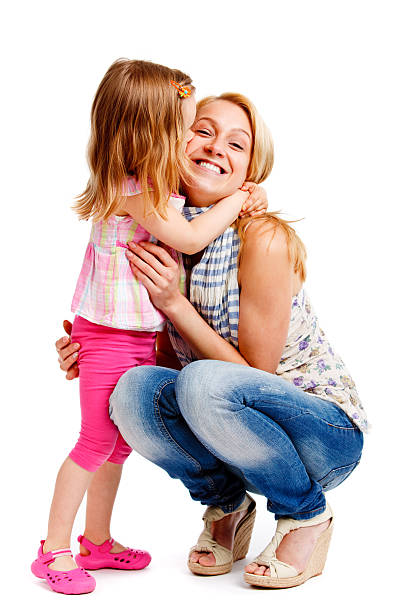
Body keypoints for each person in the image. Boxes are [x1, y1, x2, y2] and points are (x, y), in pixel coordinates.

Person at [57, 92, 368, 589]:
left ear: (250, 173)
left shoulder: (261, 238)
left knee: (204, 382)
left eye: (236, 143)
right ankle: (227, 503)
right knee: (134, 388)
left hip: (319, 432)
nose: (215, 147)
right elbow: (163, 364)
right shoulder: (158, 237)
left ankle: (307, 514)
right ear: (171, 143)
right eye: (202, 130)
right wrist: (96, 354)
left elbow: (253, 379)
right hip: (234, 429)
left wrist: (175, 304)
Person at [32, 61, 267, 596]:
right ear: (150, 131)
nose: (190, 135)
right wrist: (238, 198)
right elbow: (187, 241)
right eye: (185, 124)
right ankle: (53, 549)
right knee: (93, 443)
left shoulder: (157, 189)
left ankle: (96, 541)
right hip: (109, 338)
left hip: (135, 339)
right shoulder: (131, 187)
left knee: (117, 447)